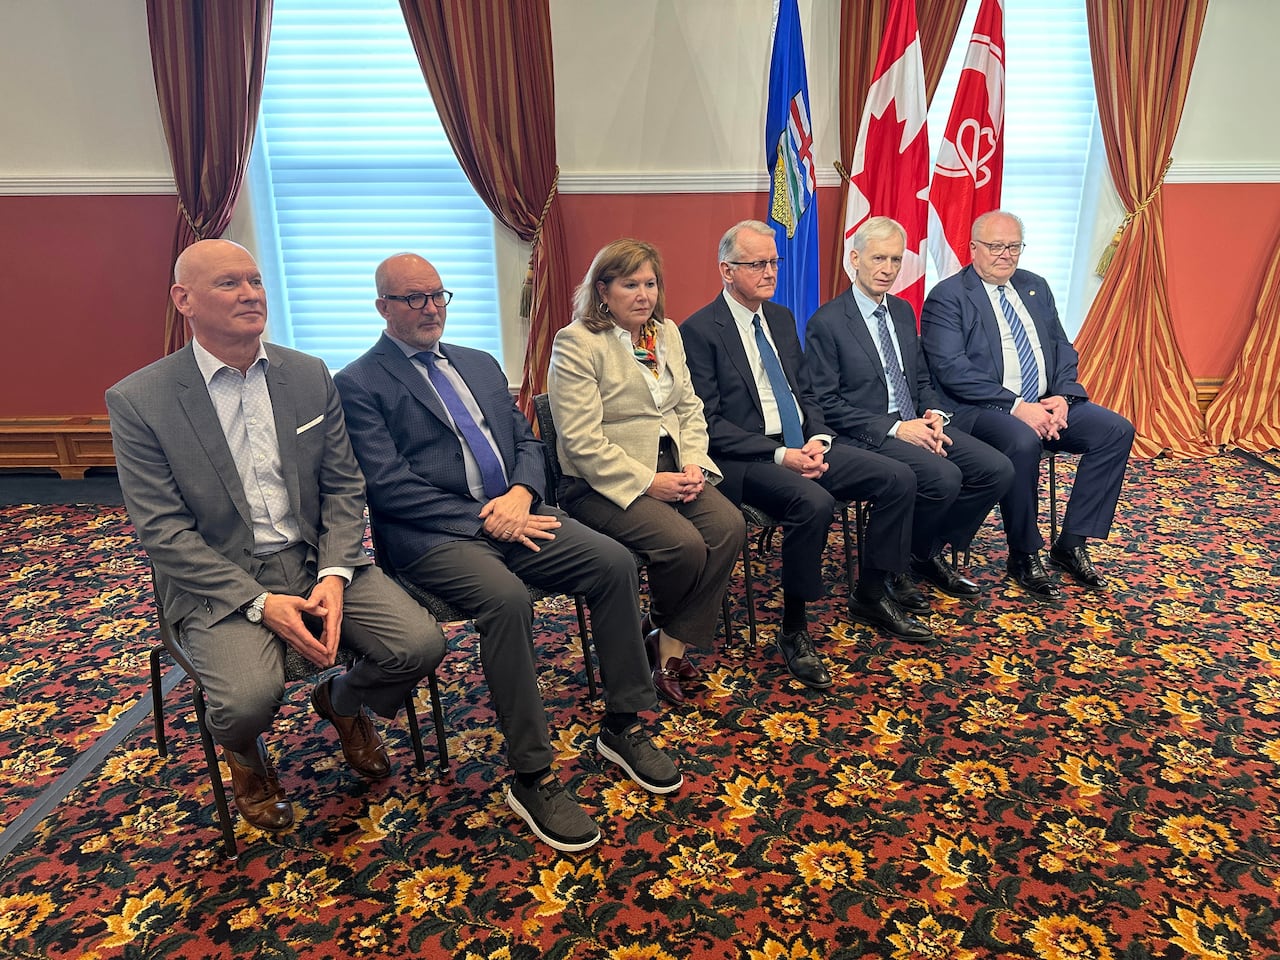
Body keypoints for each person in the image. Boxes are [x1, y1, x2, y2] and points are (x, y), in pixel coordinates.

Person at [335, 253, 681, 854]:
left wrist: (520, 495)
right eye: (414, 298)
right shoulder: (359, 382)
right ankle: (533, 774)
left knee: (614, 563)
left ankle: (623, 724)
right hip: (436, 536)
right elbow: (387, 486)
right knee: (507, 600)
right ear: (382, 307)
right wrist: (487, 517)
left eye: (438, 295)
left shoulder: (479, 362)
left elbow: (527, 441)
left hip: (518, 512)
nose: (431, 309)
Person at [106, 239, 445, 834]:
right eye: (229, 283)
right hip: (220, 579)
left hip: (316, 559)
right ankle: (245, 755)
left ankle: (342, 701)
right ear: (184, 300)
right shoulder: (140, 400)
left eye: (256, 281)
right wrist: (260, 603)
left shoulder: (307, 374)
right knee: (244, 703)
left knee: (420, 645)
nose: (250, 294)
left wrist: (336, 574)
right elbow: (162, 531)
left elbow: (344, 486)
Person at [681, 220, 932, 686]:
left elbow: (807, 393)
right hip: (748, 459)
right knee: (813, 502)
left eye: (774, 262)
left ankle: (872, 592)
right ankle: (794, 628)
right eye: (757, 264)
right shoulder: (698, 331)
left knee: (898, 477)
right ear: (727, 271)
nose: (770, 272)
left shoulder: (780, 318)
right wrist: (781, 456)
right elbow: (709, 424)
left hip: (803, 444)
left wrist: (819, 438)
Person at [547, 238, 744, 706]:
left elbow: (689, 407)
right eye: (630, 285)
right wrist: (648, 481)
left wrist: (693, 461)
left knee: (729, 526)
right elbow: (580, 441)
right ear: (602, 290)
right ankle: (660, 632)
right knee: (683, 546)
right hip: (600, 481)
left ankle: (666, 641)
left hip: (673, 464)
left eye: (650, 284)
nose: (643, 295)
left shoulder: (666, 333)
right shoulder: (577, 342)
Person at [920, 210, 1135, 598]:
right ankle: (1024, 552)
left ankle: (1071, 543)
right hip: (981, 409)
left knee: (1115, 430)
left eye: (1014, 246)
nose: (1006, 255)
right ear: (973, 248)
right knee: (1022, 440)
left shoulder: (1035, 286)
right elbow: (951, 370)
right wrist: (1018, 406)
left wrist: (1064, 396)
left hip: (1044, 402)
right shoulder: (948, 297)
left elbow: (1061, 346)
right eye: (995, 246)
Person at [806, 216, 1013, 599]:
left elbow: (920, 380)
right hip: (867, 433)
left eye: (896, 260)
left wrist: (935, 415)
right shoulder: (828, 322)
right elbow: (826, 404)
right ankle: (891, 570)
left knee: (996, 470)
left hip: (917, 422)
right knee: (943, 477)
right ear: (855, 259)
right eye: (878, 258)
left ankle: (922, 551)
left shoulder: (902, 311)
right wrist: (897, 429)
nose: (888, 269)